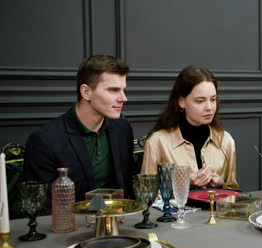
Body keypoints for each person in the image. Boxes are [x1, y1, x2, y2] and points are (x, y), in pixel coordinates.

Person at [24, 55, 135, 212]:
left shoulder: (122, 129)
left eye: (123, 90)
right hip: (69, 230)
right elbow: (42, 209)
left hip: (117, 223)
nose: (123, 98)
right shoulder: (45, 140)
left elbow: (127, 189)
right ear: (86, 92)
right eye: (113, 90)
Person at [141, 65, 239, 189]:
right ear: (181, 101)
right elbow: (146, 194)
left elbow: (234, 193)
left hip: (216, 209)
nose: (209, 107)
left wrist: (220, 184)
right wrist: (184, 181)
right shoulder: (157, 142)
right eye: (200, 101)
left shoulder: (226, 140)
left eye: (213, 99)